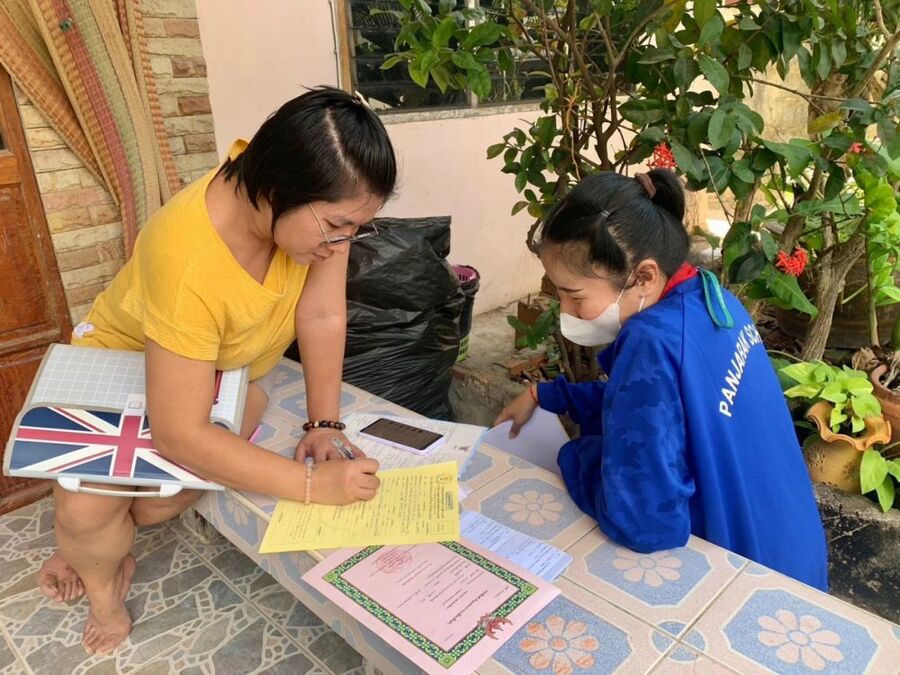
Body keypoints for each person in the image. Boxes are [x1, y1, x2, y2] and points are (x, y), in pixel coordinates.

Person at [36, 87, 395, 654]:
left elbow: (322, 312)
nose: (344, 242)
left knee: (151, 505)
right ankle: (102, 582)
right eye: (337, 225)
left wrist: (325, 424)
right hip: (119, 363)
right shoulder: (186, 252)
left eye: (356, 227)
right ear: (275, 191)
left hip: (217, 375)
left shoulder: (312, 205)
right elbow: (179, 434)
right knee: (85, 511)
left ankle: (94, 544)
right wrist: (310, 486)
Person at [496, 170, 828, 591]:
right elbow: (654, 403)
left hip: (743, 576)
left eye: (575, 296)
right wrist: (546, 393)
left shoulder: (650, 340)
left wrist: (573, 457)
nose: (566, 312)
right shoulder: (710, 297)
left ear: (644, 277)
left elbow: (643, 522)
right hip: (794, 552)